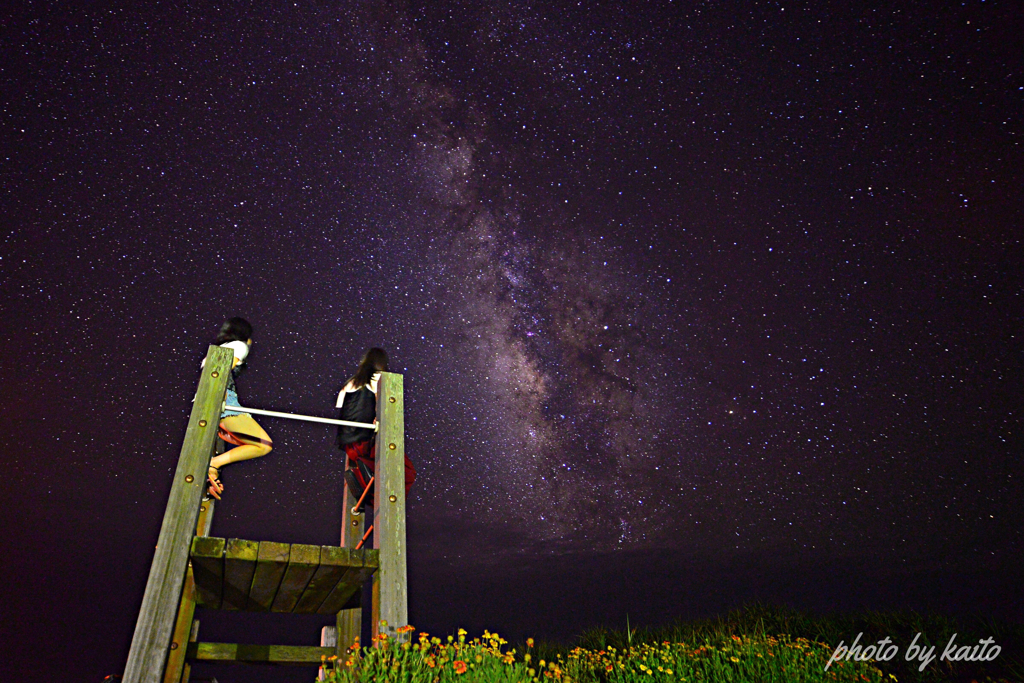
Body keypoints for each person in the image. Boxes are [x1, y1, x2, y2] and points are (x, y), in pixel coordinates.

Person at [336, 347, 415, 508]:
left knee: (382, 473)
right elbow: (384, 403)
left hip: (349, 444)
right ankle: (364, 478)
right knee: (405, 472)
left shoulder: (352, 381)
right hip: (366, 440)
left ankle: (361, 479)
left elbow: (339, 405)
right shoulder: (379, 379)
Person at [204, 317, 273, 499]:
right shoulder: (239, 346)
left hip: (210, 400)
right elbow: (222, 371)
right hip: (224, 400)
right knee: (263, 445)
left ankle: (210, 474)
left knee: (251, 444)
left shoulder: (219, 348)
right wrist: (220, 395)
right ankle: (213, 464)